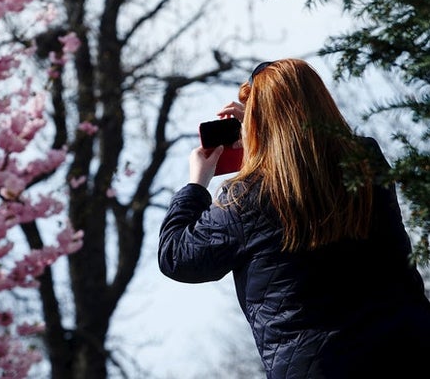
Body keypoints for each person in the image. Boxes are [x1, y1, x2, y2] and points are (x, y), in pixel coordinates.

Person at [157, 58, 430, 378]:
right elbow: (305, 158)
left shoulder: (247, 199)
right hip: (411, 352)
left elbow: (176, 255)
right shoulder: (365, 161)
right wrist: (263, 132)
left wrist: (196, 183)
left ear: (258, 122)